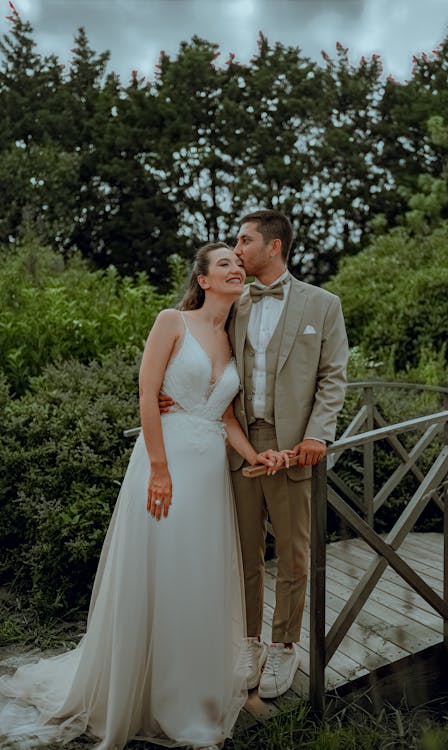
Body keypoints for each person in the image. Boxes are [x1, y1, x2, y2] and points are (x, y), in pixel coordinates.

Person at [0, 242, 292, 750]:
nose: (235, 267)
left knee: (195, 575)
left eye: (238, 262)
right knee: (159, 567)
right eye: (224, 263)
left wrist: (253, 456)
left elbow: (223, 417)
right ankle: (140, 689)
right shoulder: (172, 321)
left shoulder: (229, 335)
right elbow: (146, 392)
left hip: (207, 474)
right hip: (167, 463)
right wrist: (158, 469)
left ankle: (190, 688)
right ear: (203, 279)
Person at [229, 210, 349, 699]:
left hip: (294, 446)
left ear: (273, 247)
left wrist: (318, 435)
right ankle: (249, 640)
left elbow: (333, 375)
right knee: (244, 551)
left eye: (244, 241)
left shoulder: (323, 304)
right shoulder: (231, 303)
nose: (236, 250)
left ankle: (284, 644)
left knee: (294, 554)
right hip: (237, 443)